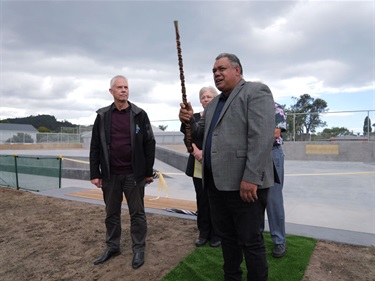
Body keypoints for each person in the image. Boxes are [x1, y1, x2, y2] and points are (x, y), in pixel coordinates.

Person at [179, 53, 275, 281]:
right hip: (216, 185)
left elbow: (261, 138)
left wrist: (251, 178)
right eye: (214, 71)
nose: (217, 74)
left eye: (221, 69)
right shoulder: (213, 105)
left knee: (250, 240)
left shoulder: (255, 92)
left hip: (245, 185)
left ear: (238, 71)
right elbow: (201, 137)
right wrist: (189, 121)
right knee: (227, 238)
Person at [89, 75, 156, 269]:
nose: (124, 90)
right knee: (111, 213)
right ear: (111, 91)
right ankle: (112, 246)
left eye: (126, 87)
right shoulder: (102, 116)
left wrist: (148, 171)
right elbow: (95, 146)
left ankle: (138, 248)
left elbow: (149, 143)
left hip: (133, 175)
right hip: (110, 175)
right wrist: (95, 173)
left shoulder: (139, 114)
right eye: (119, 87)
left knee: (138, 214)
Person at [181, 86, 221, 248]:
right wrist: (197, 153)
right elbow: (188, 137)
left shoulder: (220, 116)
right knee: (202, 200)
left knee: (216, 202)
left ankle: (217, 235)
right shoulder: (194, 117)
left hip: (216, 165)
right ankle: (203, 233)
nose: (206, 99)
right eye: (203, 97)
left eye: (209, 96)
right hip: (198, 165)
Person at [262, 102, 287, 257]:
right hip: (252, 155)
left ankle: (279, 241)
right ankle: (255, 236)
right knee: (254, 196)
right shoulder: (249, 106)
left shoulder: (275, 108)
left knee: (273, 198)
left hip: (272, 152)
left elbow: (276, 133)